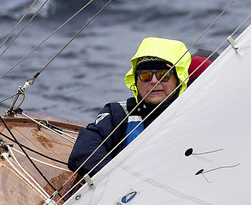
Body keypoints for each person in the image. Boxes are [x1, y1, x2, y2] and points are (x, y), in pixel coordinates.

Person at [67, 37, 195, 176]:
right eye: (145, 76)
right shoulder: (118, 114)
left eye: (163, 75)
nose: (153, 81)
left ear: (178, 80)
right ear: (135, 80)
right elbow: (83, 154)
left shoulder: (193, 115)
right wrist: (125, 180)